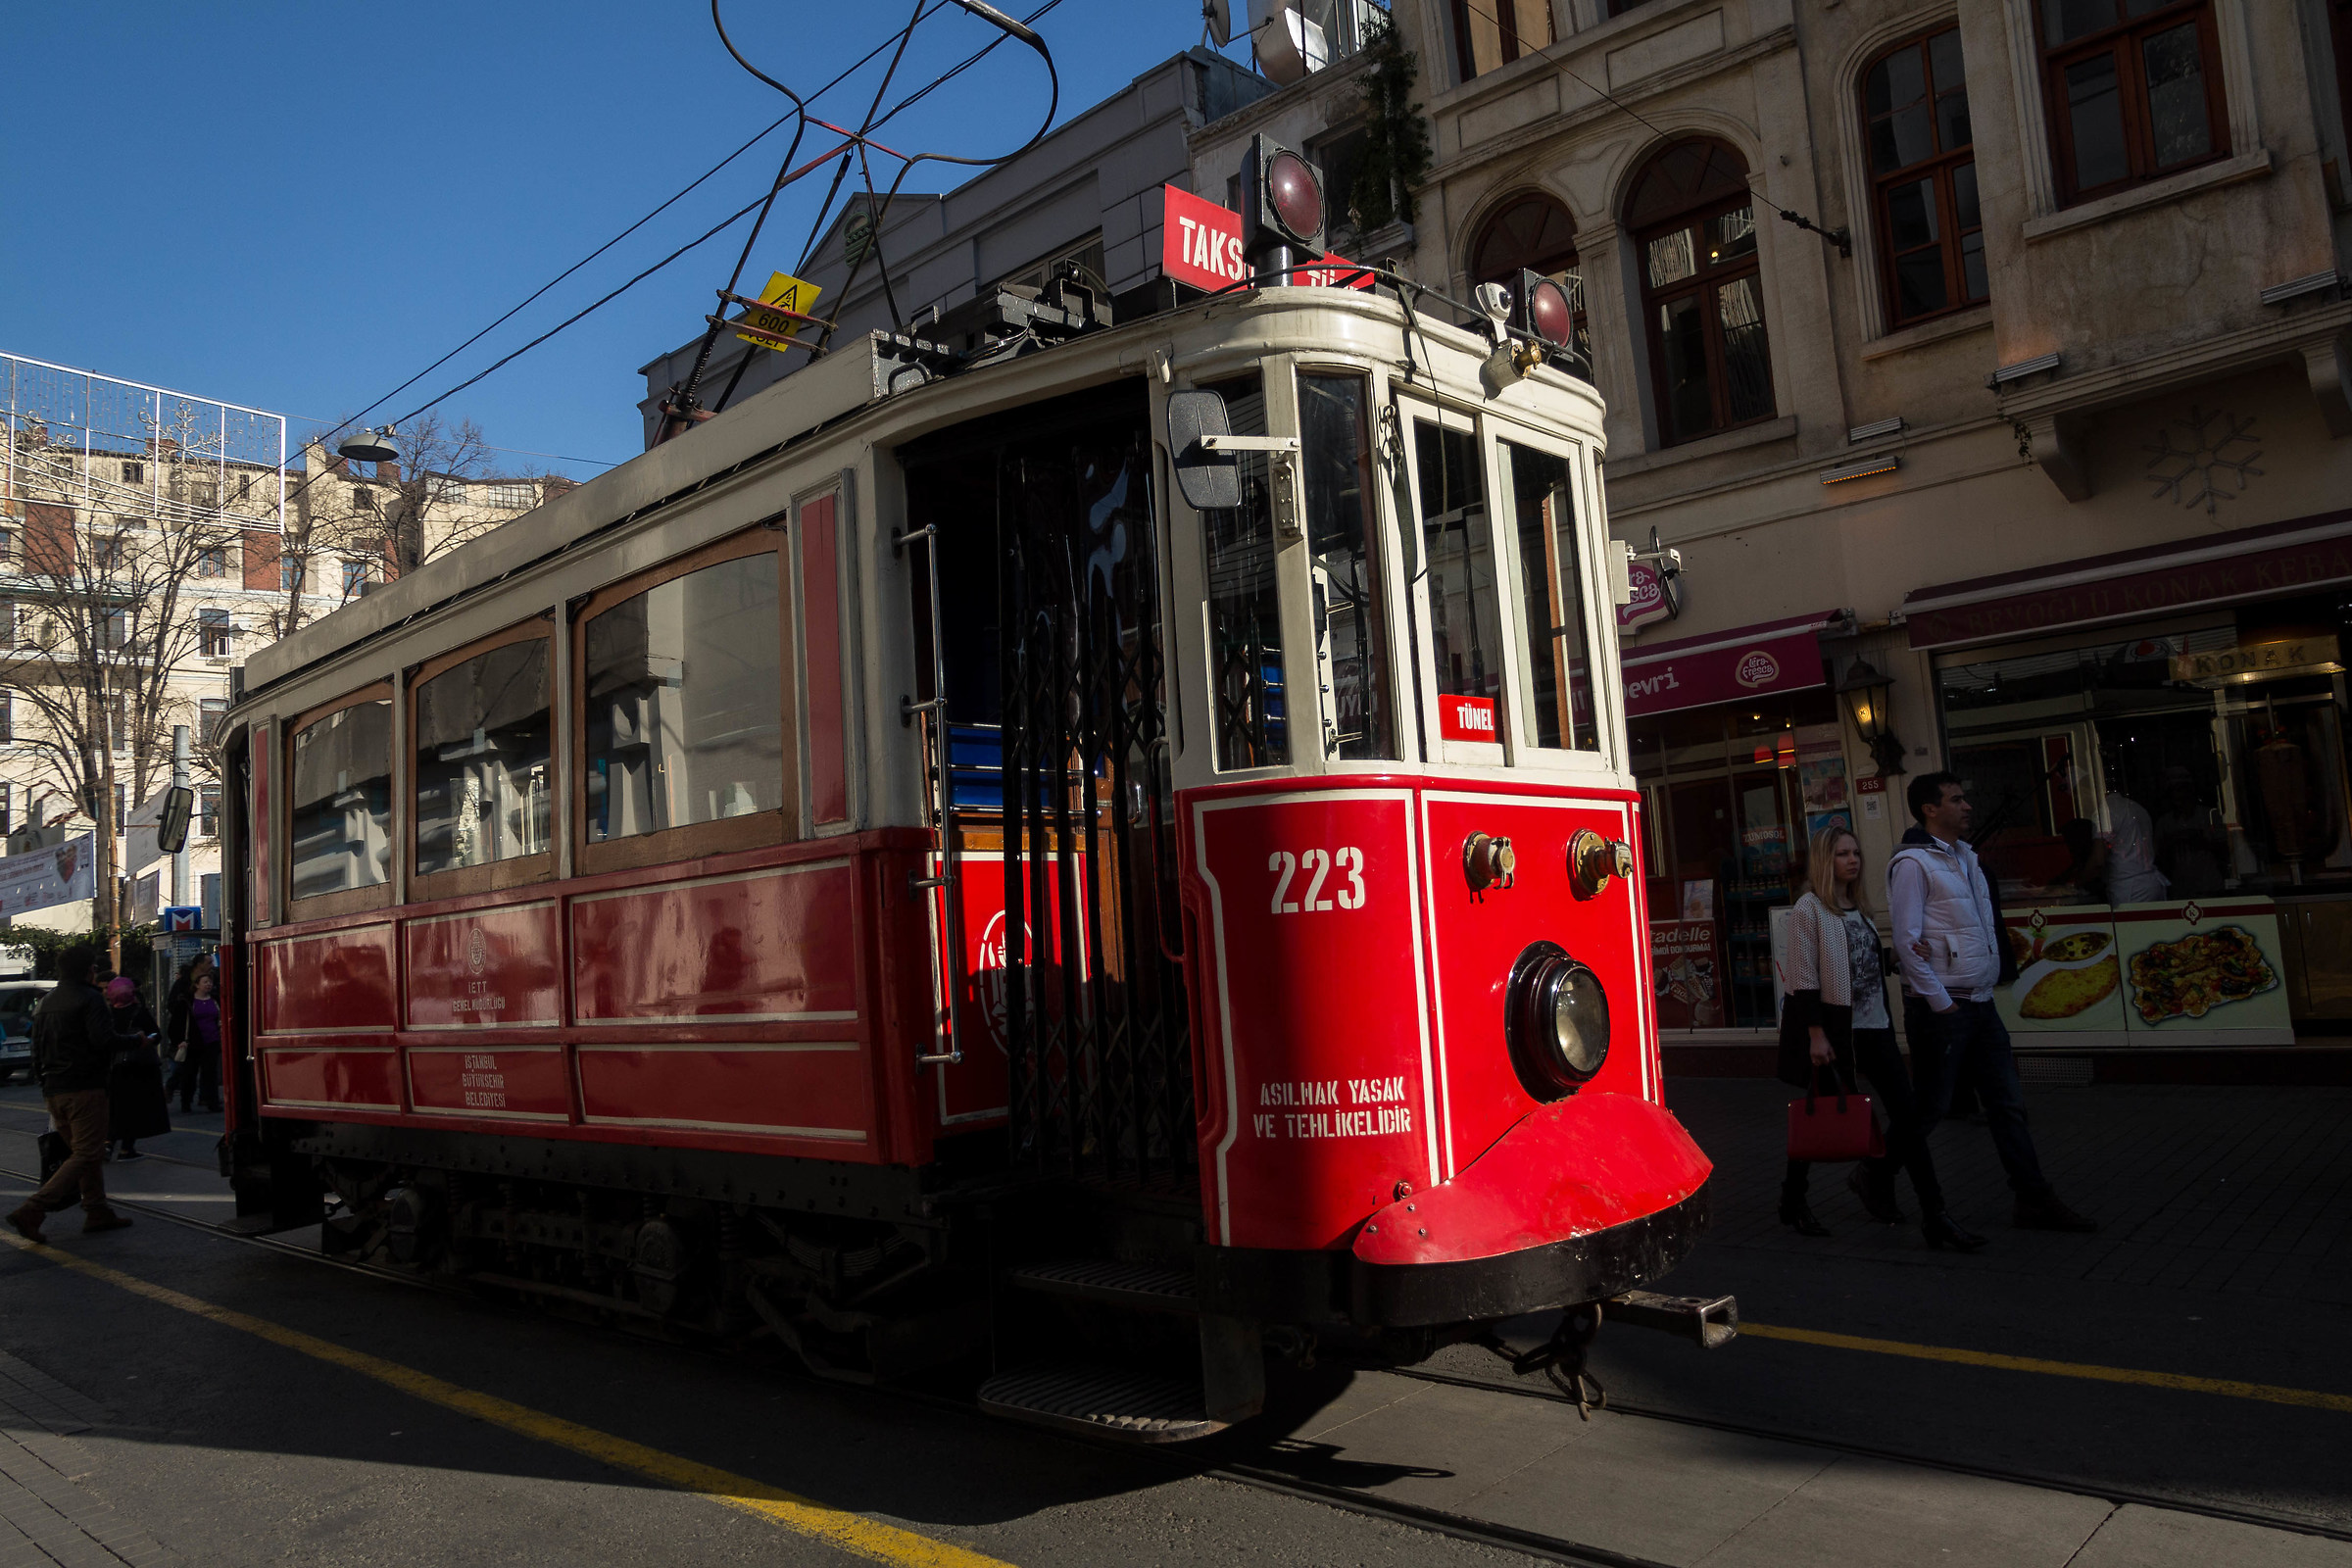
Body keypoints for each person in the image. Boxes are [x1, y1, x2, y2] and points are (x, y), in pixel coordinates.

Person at [1890, 773, 2097, 1233]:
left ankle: (2033, 1197)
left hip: (1979, 1002)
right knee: (1931, 1107)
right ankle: (1877, 1173)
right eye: (1956, 799)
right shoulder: (1913, 864)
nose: (1967, 806)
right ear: (1929, 809)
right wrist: (1942, 1003)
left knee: (2007, 1104)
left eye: (1965, 798)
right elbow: (1905, 942)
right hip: (1945, 1008)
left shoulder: (1967, 858)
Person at [1778, 823, 1984, 1251]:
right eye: (1842, 854)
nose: (1852, 860)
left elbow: (1858, 964)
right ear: (1823, 860)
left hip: (1876, 1028)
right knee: (1822, 1119)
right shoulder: (1809, 909)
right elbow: (1802, 979)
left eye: (1855, 853)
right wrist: (1816, 1035)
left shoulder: (1859, 908)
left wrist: (1896, 957)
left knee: (1909, 1119)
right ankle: (1792, 1200)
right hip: (1836, 1034)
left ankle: (1936, 1215)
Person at [7, 945, 135, 1242]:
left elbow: (36, 1050)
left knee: (83, 1152)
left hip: (54, 1089)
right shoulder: (90, 999)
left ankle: (96, 1209)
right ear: (89, 970)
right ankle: (32, 1209)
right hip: (85, 1087)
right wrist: (136, 1041)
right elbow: (103, 1041)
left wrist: (44, 1084)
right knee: (87, 1152)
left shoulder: (46, 1002)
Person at [105, 975, 168, 1160]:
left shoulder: (107, 1014)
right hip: (140, 1067)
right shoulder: (139, 1011)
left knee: (116, 1107)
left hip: (116, 1068)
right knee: (135, 1108)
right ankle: (127, 1148)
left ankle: (108, 1142)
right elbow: (157, 1034)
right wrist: (147, 1040)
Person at [166, 960, 223, 1114]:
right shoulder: (187, 1002)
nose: (208, 985)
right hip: (192, 1042)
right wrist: (180, 1041)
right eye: (205, 982)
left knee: (210, 1073)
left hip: (211, 1041)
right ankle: (186, 1101)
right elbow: (176, 1023)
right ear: (196, 985)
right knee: (189, 1074)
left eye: (210, 982)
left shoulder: (215, 1000)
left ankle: (212, 1102)